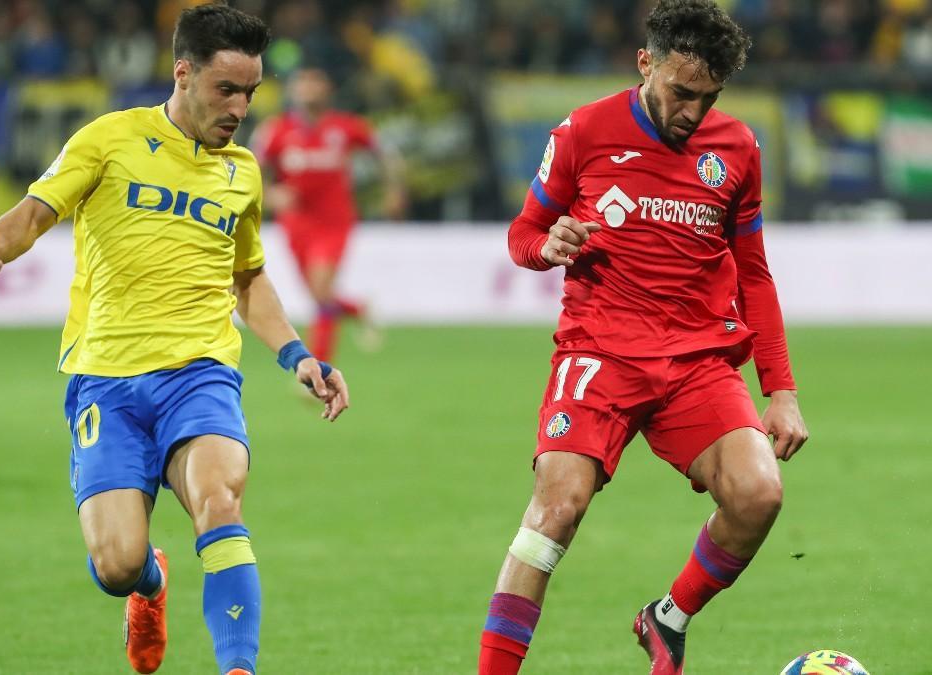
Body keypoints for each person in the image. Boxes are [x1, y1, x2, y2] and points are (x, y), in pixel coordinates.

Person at [0, 6, 349, 675]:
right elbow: (37, 209)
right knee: (116, 563)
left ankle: (238, 667)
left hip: (200, 372)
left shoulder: (242, 172)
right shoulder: (110, 138)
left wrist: (297, 355)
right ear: (183, 73)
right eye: (227, 90)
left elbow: (248, 277)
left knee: (220, 496)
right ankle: (150, 584)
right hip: (106, 378)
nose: (240, 107)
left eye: (251, 93)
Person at [476, 1, 808, 673]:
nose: (691, 112)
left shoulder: (737, 149)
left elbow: (755, 274)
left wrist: (782, 390)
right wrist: (550, 244)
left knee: (759, 494)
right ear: (645, 63)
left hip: (697, 361)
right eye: (681, 92)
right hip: (599, 351)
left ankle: (669, 616)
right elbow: (522, 234)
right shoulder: (583, 132)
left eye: (707, 98)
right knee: (555, 511)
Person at [251, 66, 407, 363]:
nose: (308, 88)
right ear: (293, 90)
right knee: (319, 297)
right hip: (295, 224)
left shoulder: (348, 127)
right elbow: (251, 172)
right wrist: (271, 194)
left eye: (315, 81)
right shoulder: (276, 130)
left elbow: (387, 154)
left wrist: (394, 190)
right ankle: (357, 309)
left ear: (327, 89)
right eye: (303, 82)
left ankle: (318, 370)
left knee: (322, 290)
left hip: (335, 221)